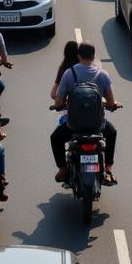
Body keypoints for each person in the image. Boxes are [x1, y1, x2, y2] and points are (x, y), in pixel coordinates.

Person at [51, 41, 119, 185]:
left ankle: (62, 170)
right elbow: (111, 102)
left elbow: (58, 100)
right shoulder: (103, 74)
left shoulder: (69, 73)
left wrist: (59, 105)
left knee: (55, 138)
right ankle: (108, 168)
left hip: (73, 125)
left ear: (78, 55)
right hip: (97, 125)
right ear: (94, 56)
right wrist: (112, 106)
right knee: (112, 133)